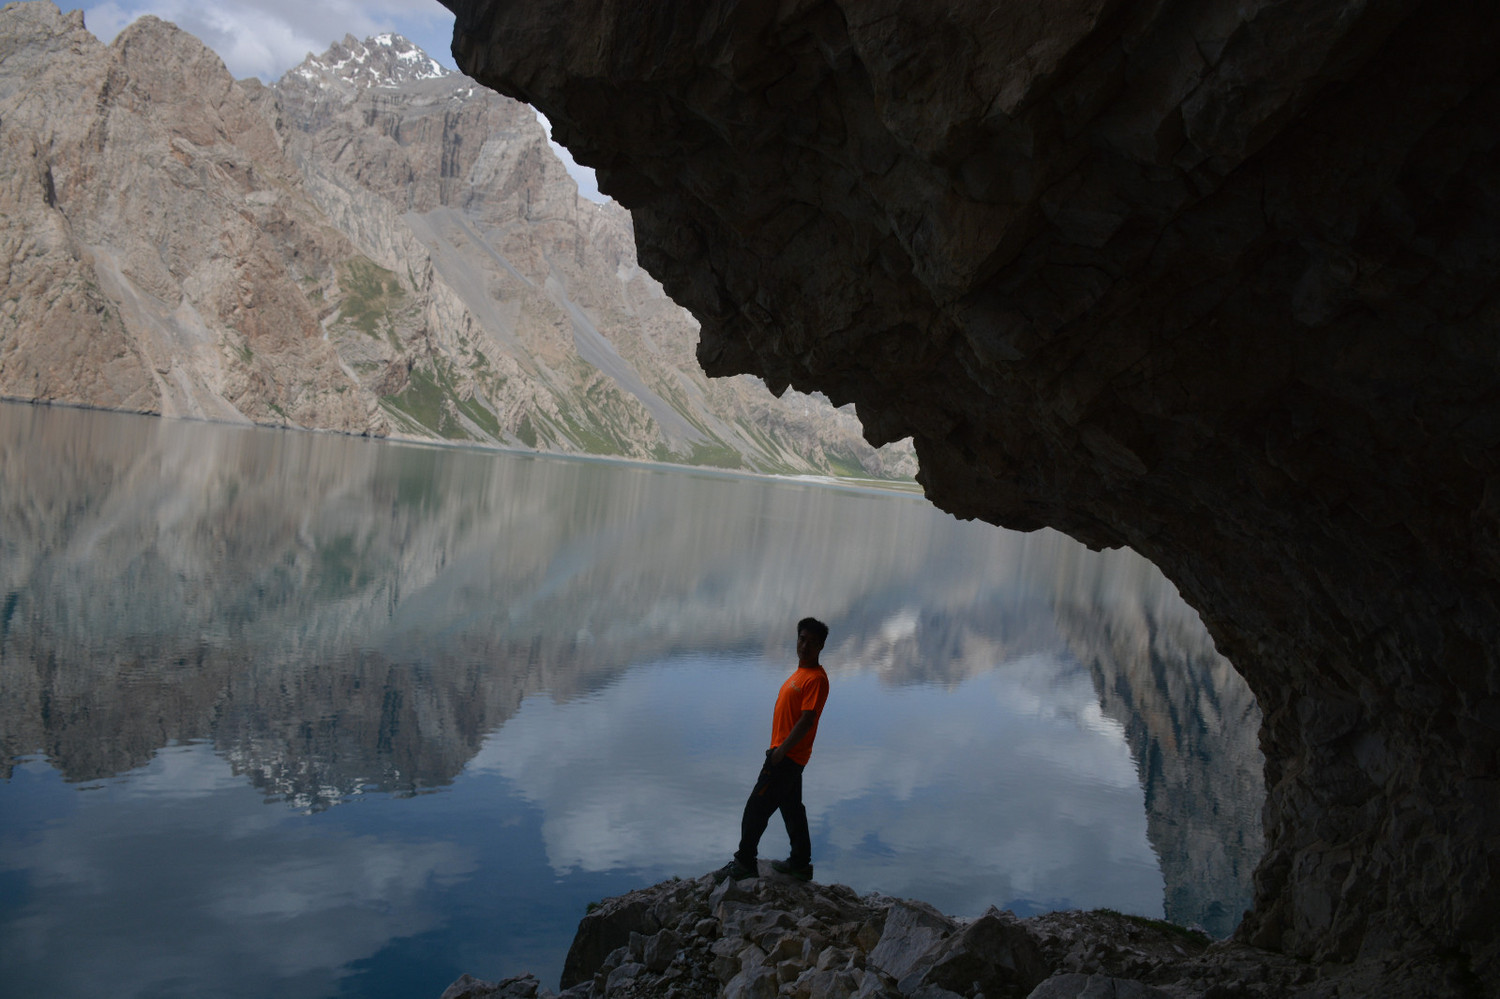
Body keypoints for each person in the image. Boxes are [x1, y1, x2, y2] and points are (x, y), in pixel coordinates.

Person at [717, 616, 831, 882]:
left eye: (812, 642)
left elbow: (807, 719)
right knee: (792, 809)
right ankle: (800, 864)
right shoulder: (801, 673)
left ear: (821, 646)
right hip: (788, 755)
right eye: (802, 639)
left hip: (786, 756)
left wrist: (780, 753)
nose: (805, 646)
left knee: (756, 808)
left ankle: (744, 861)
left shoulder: (816, 679)